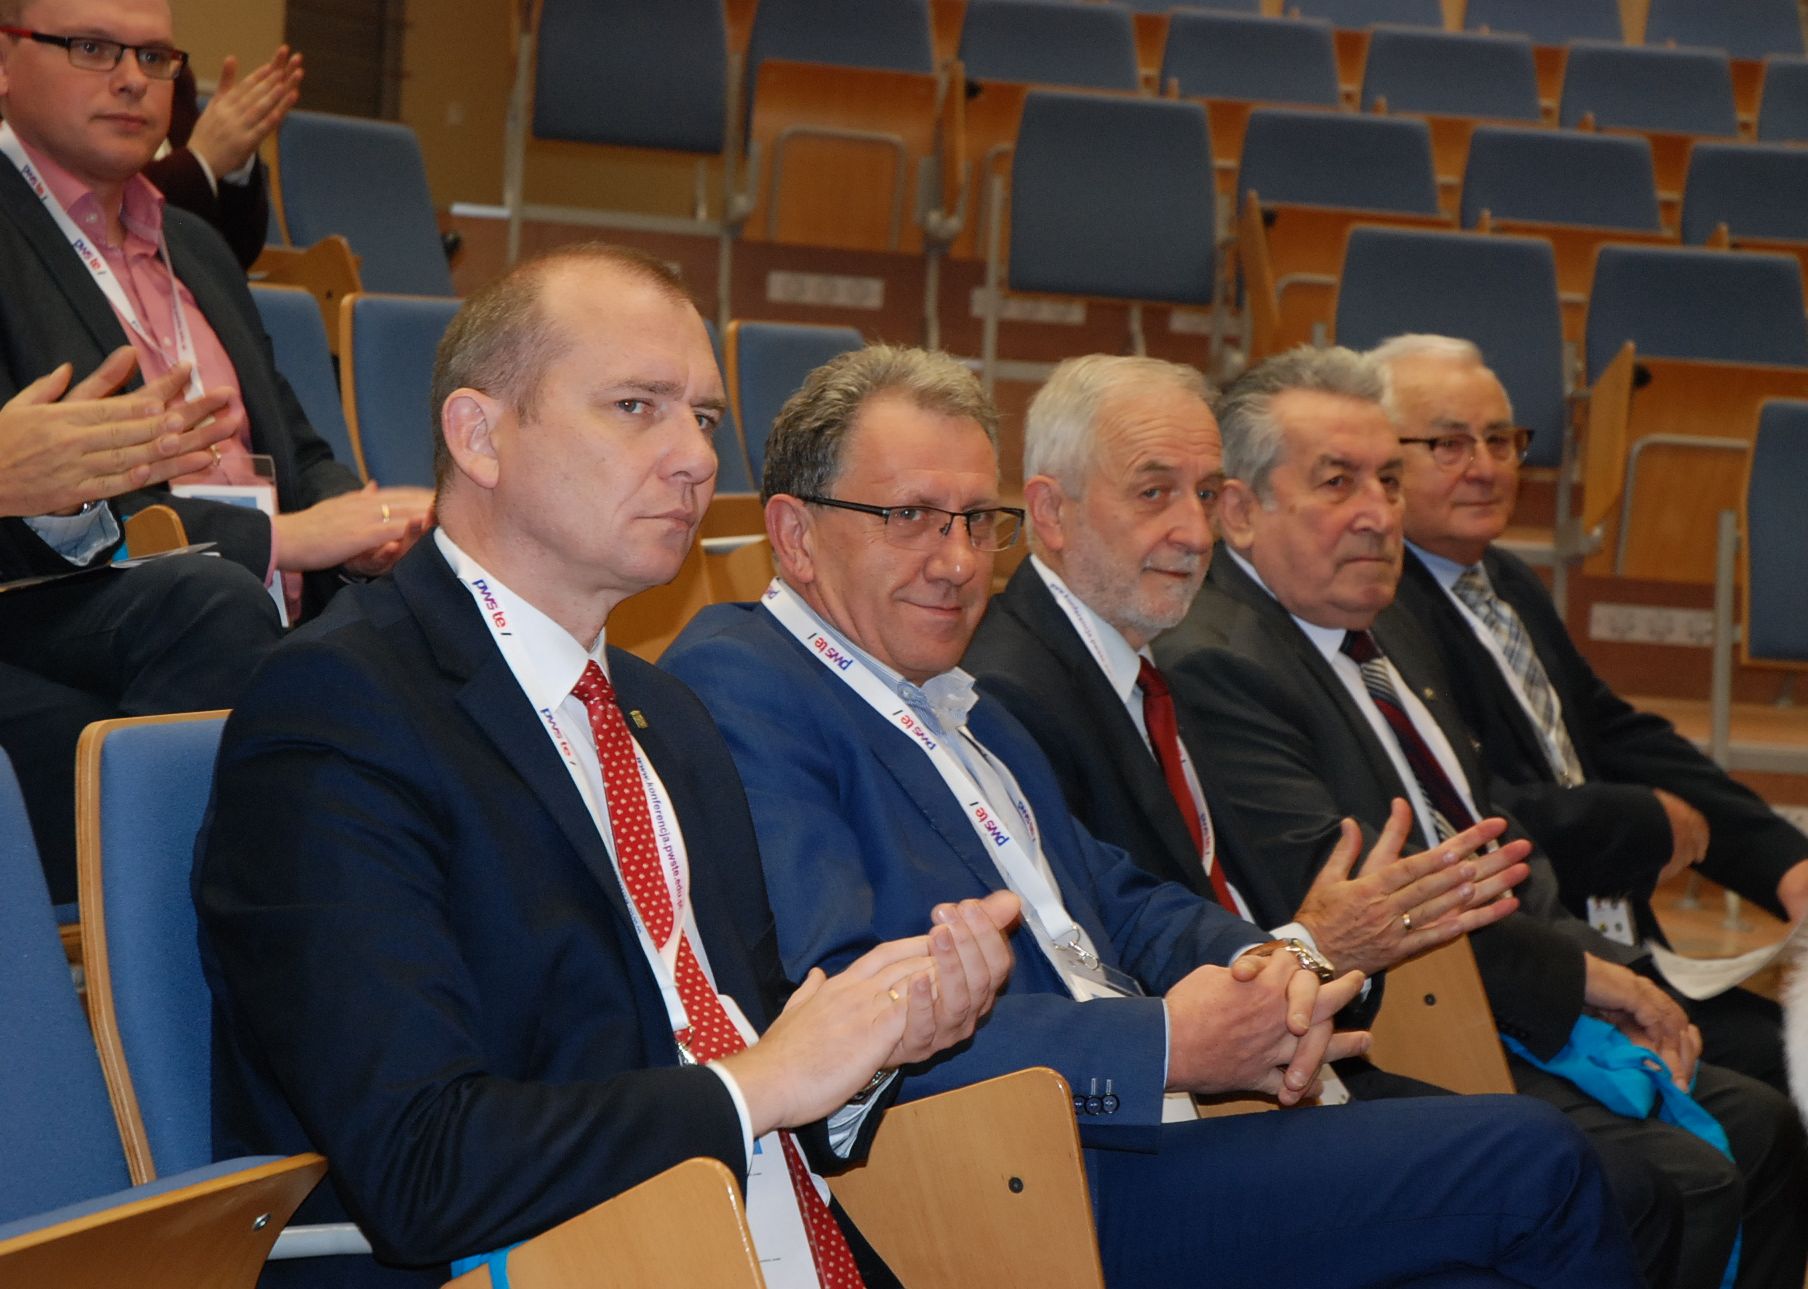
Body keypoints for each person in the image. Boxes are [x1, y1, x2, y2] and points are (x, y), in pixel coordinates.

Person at [662, 343, 1643, 1289]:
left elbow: (1122, 899)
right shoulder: (745, 680)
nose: (957, 561)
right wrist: (1167, 1042)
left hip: (1147, 1120)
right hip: (1022, 1171)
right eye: (910, 516)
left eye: (976, 520)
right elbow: (833, 1003)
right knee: (1535, 1160)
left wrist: (1276, 969)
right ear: (794, 534)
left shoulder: (958, 697)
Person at [196, 243, 1019, 1288]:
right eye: (637, 406)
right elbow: (421, 1162)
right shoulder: (341, 709)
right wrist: (758, 1085)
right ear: (479, 436)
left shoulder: (664, 714)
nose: (695, 459)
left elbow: (752, 1045)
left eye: (705, 418)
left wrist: (871, 1046)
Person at [1154, 344, 1808, 1289]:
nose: (1379, 513)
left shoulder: (1385, 616)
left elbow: (1488, 820)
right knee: (1688, 1174)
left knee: (1763, 1127)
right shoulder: (1222, 662)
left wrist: (1594, 963)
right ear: (1242, 511)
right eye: (1338, 482)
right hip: (1412, 1014)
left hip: (1518, 963)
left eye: (1387, 479)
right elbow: (1370, 902)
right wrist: (1582, 979)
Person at [0, 0, 429, 895]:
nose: (132, 79)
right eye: (93, 47)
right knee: (209, 603)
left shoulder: (192, 245)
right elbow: (50, 487)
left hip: (247, 594)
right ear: (6, 60)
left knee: (435, 599)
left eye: (155, 58)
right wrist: (280, 540)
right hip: (61, 595)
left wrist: (367, 523)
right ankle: (220, 940)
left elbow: (299, 449)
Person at [1378, 333, 1803, 1091]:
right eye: (1449, 444)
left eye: (1500, 440)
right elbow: (1467, 810)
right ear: (1382, 462)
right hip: (1532, 970)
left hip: (1621, 937)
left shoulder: (1502, 577)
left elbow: (1614, 732)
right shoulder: (1380, 608)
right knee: (1773, 1079)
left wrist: (1783, 862)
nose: (1486, 466)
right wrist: (1639, 821)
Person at [147, 45, 302, 269]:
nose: (136, 77)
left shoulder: (176, 76)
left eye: (152, 57)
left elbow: (235, 253)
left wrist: (233, 165)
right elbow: (114, 209)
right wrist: (199, 162)